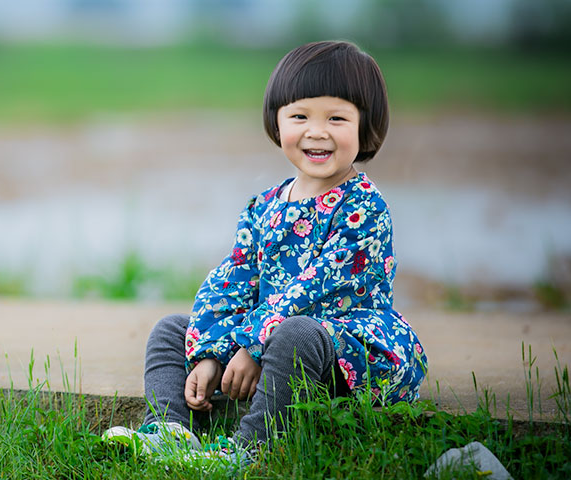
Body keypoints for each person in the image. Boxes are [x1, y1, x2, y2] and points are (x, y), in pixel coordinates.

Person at [102, 40, 428, 466]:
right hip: (263, 339)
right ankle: (169, 429)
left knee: (296, 331)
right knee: (170, 331)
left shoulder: (364, 208)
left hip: (339, 351)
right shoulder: (265, 206)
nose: (317, 131)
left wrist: (254, 346)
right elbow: (232, 280)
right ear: (277, 123)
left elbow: (317, 291)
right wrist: (211, 353)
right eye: (299, 116)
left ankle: (246, 449)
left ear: (365, 126)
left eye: (337, 117)